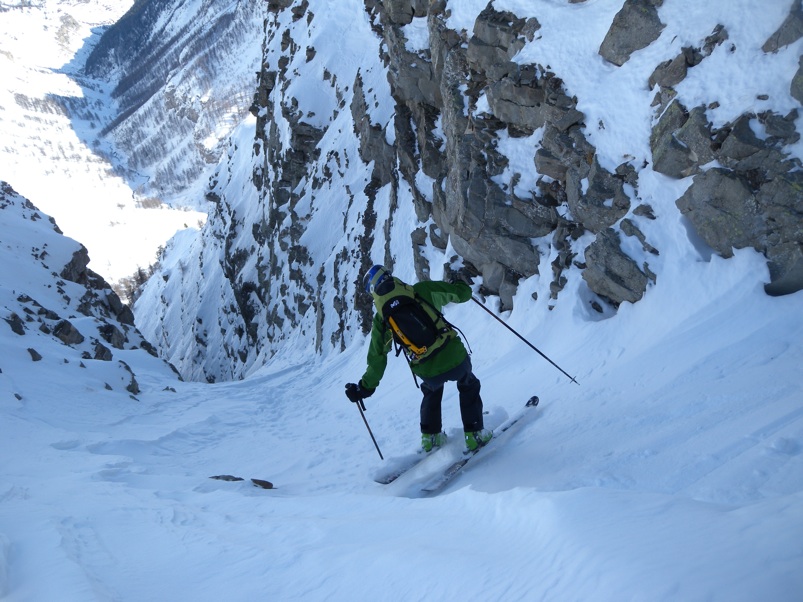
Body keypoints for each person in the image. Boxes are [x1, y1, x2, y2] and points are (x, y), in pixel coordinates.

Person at [345, 265, 493, 453]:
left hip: (425, 368)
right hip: (454, 356)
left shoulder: (382, 319)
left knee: (431, 389)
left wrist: (365, 388)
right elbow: (461, 294)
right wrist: (459, 285)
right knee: (468, 384)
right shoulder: (421, 291)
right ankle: (474, 434)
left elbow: (377, 357)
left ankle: (431, 437)